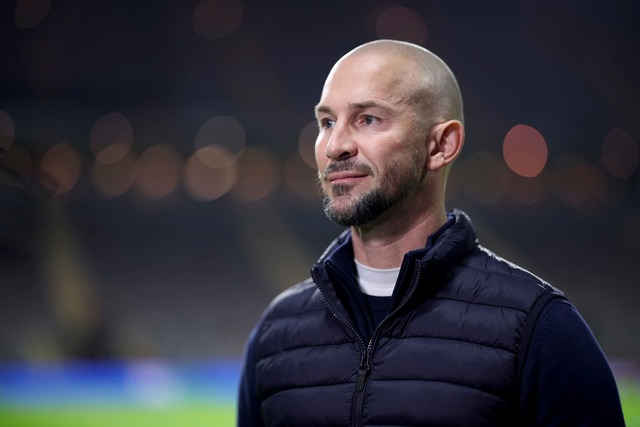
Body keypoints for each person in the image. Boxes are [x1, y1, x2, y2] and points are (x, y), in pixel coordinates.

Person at [237, 39, 625, 426]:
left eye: (368, 119)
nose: (335, 145)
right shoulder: (275, 333)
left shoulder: (540, 329)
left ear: (442, 144)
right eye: (326, 122)